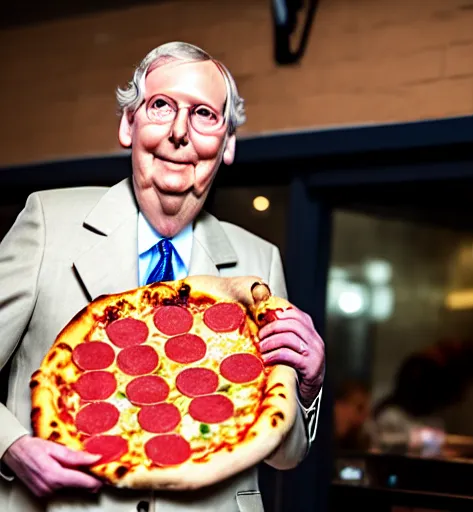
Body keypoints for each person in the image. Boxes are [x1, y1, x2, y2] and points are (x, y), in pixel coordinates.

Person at [0, 42, 325, 512]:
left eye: (204, 115)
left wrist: (309, 386)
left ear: (228, 143)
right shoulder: (48, 222)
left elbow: (284, 453)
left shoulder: (261, 261)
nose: (179, 132)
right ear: (127, 125)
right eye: (160, 106)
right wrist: (12, 446)